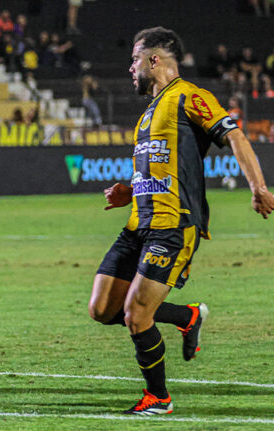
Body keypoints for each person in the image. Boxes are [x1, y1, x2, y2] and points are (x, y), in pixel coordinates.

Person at [89, 27, 274, 416]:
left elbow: (236, 137)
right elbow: (160, 168)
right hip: (137, 225)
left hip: (173, 227)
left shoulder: (190, 97)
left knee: (137, 315)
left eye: (135, 59)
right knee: (103, 309)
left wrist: (258, 187)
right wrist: (130, 192)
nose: (130, 67)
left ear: (154, 60)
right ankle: (188, 315)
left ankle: (159, 398)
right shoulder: (149, 114)